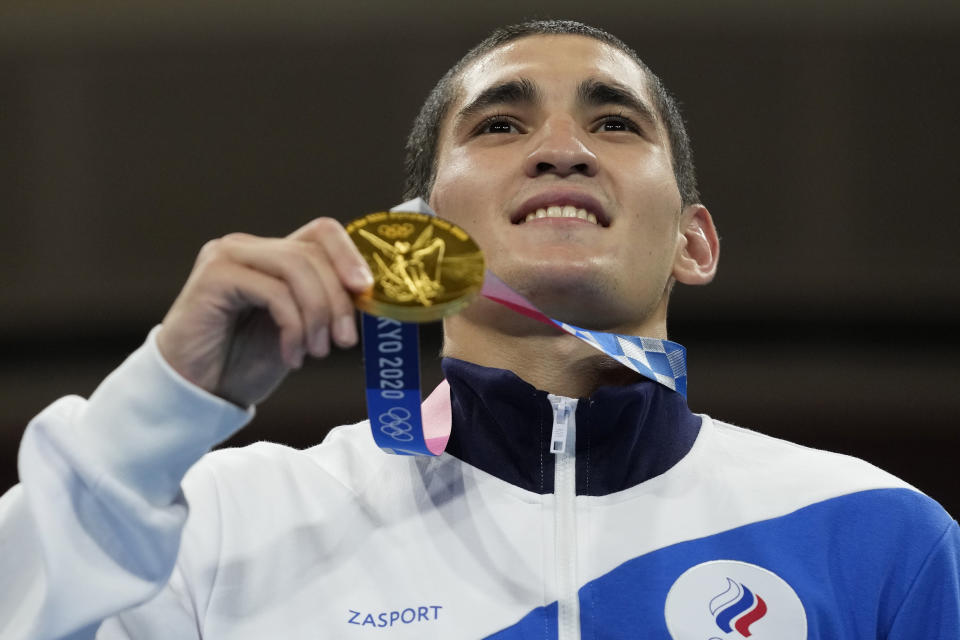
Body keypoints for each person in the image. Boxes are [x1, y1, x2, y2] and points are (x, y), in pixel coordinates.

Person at [0, 19, 957, 640]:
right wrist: (162, 406)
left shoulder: (877, 538)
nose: (561, 149)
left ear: (694, 243)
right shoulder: (222, 526)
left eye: (616, 123)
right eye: (500, 126)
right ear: (418, 235)